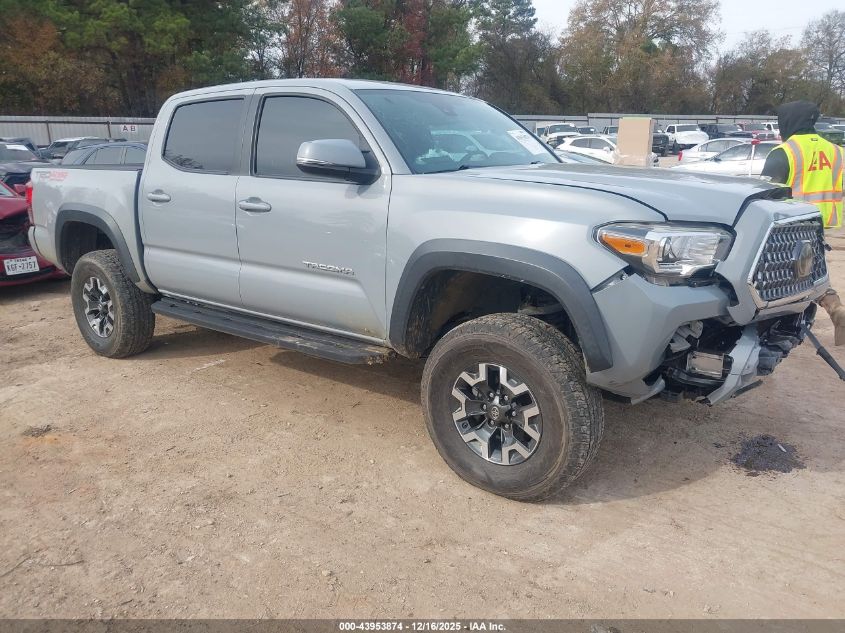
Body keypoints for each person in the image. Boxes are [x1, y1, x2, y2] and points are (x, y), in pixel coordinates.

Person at [761, 101, 845, 345]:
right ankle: (836, 309)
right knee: (813, 271)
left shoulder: (785, 152)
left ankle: (774, 332)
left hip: (788, 229)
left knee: (778, 281)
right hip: (820, 226)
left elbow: (766, 196)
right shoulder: (837, 152)